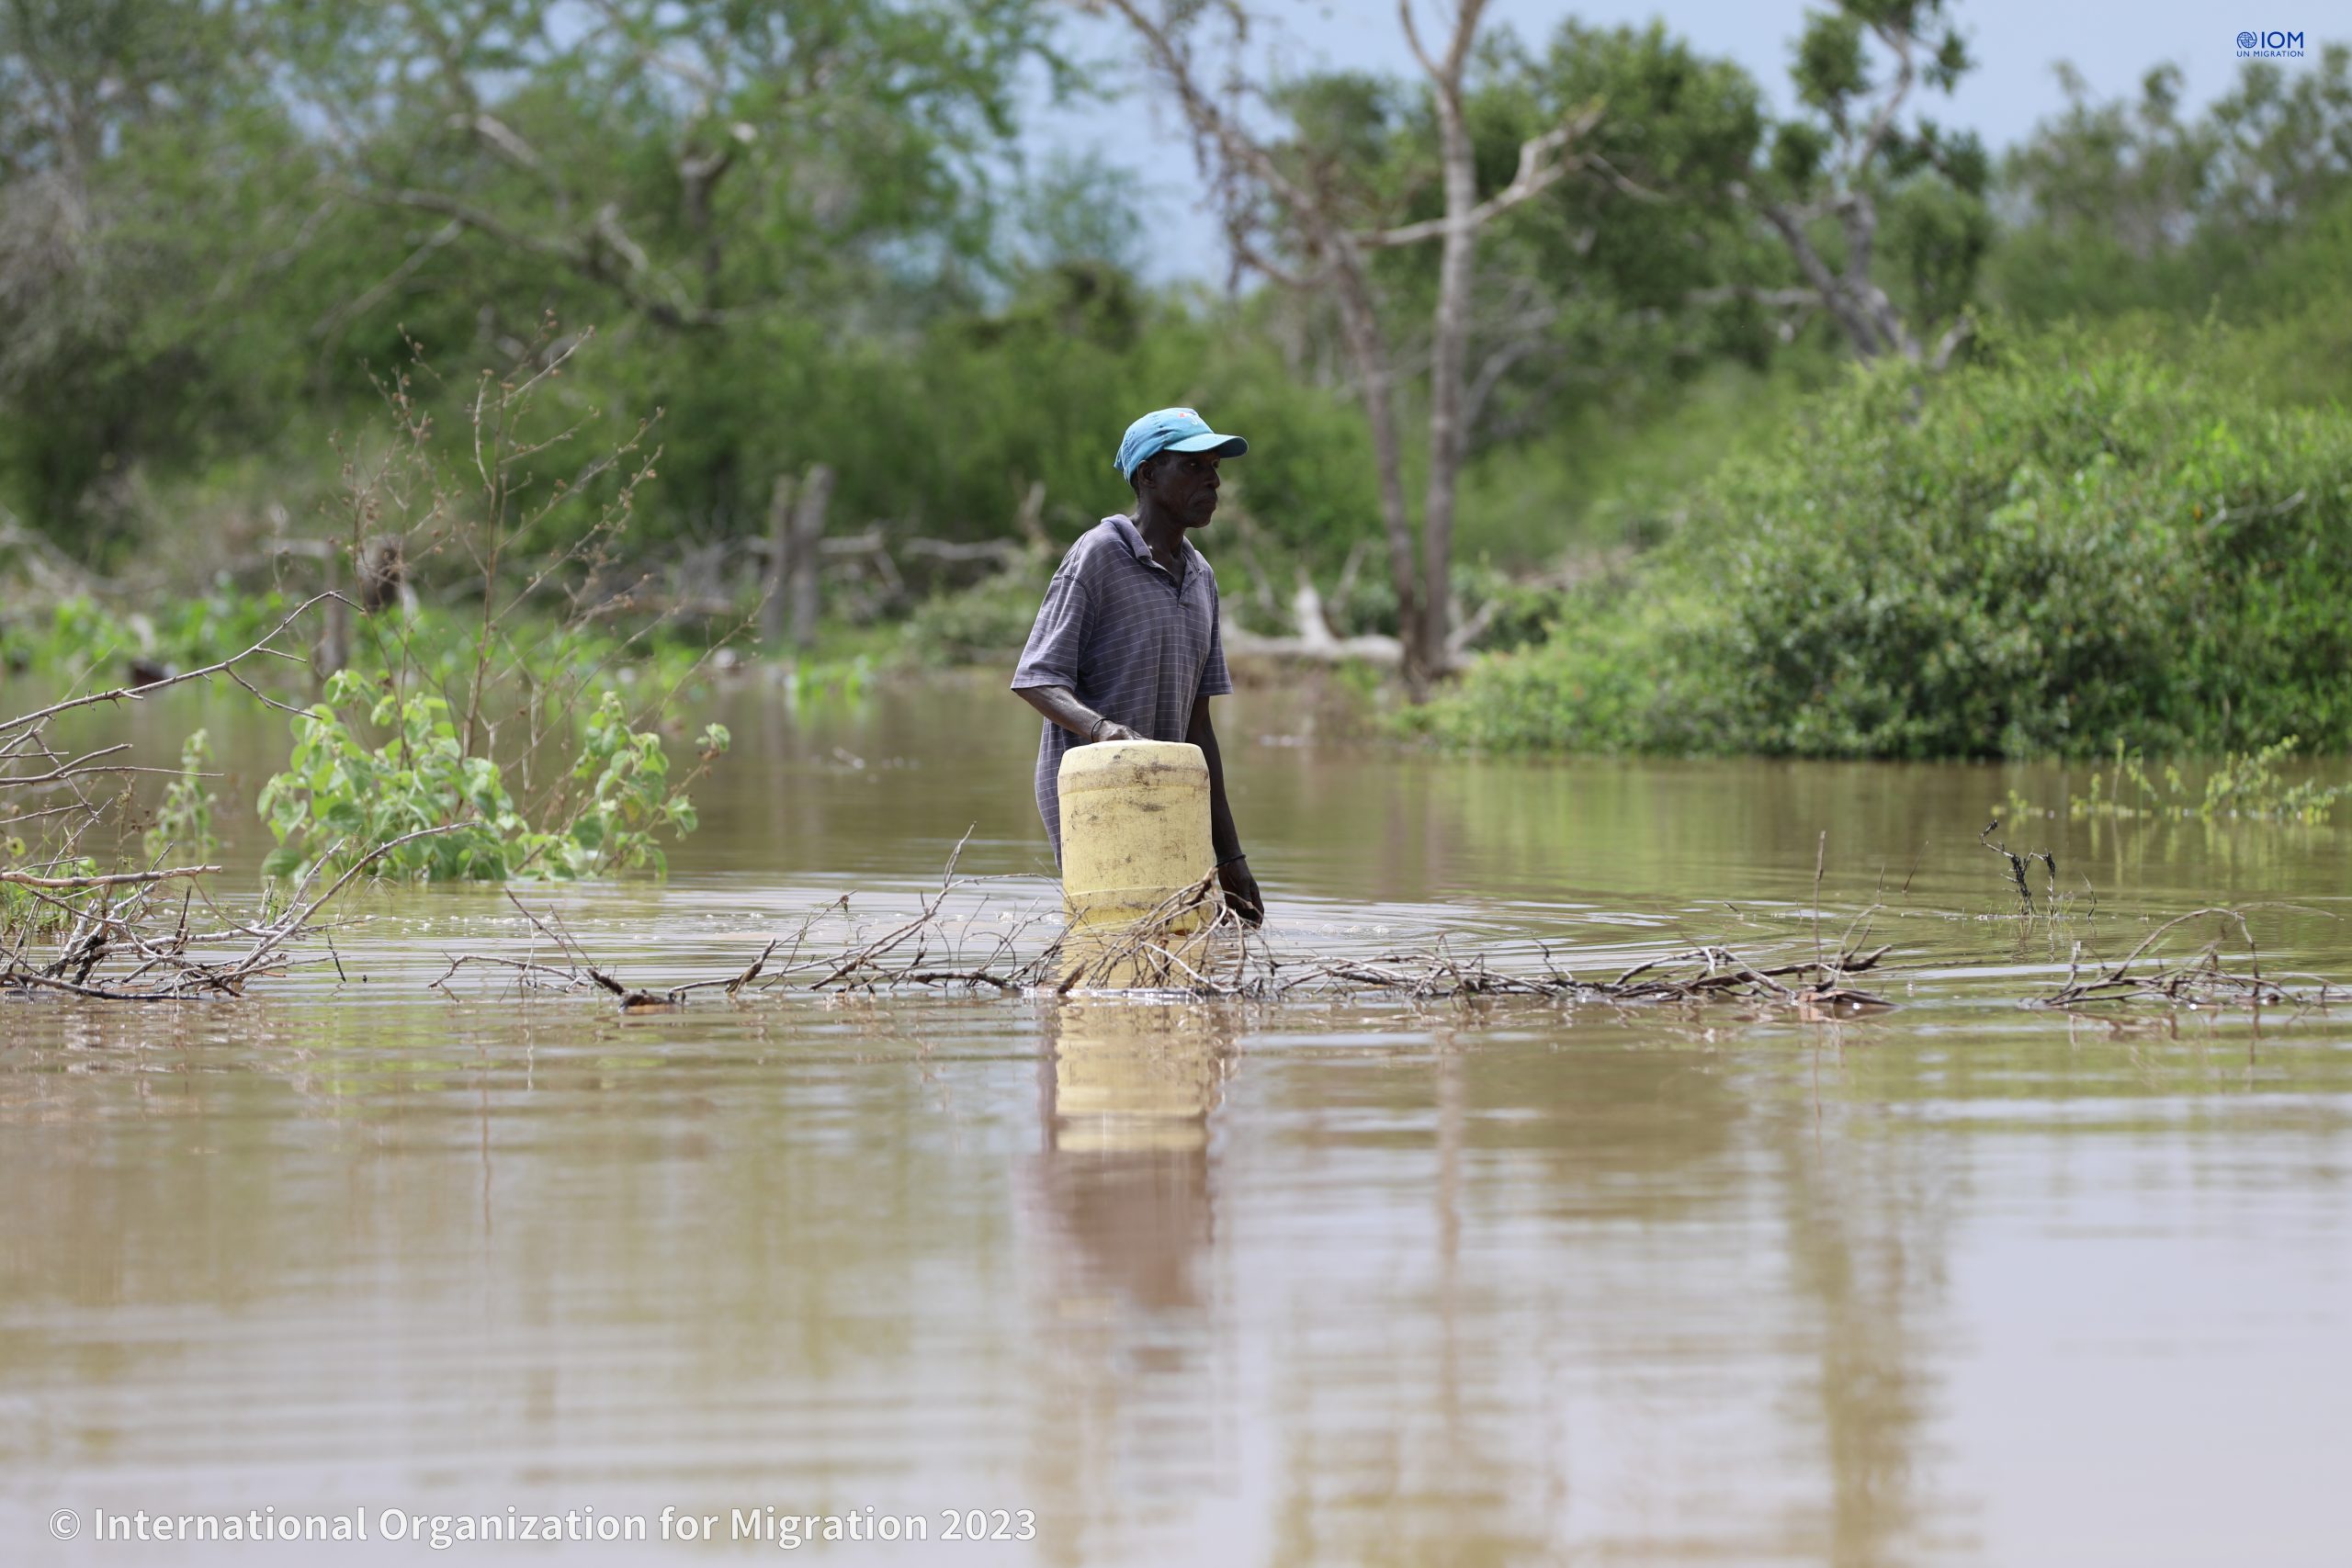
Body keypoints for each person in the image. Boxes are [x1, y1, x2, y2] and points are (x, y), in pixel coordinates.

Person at [1011, 407, 1264, 925]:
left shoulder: (1201, 577)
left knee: (1179, 938)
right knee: (1112, 934)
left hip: (1170, 788)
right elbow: (1037, 678)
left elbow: (1199, 729)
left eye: (1215, 467)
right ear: (1147, 475)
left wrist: (1232, 859)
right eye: (1193, 466)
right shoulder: (1100, 555)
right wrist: (1102, 730)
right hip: (1095, 789)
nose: (1213, 480)